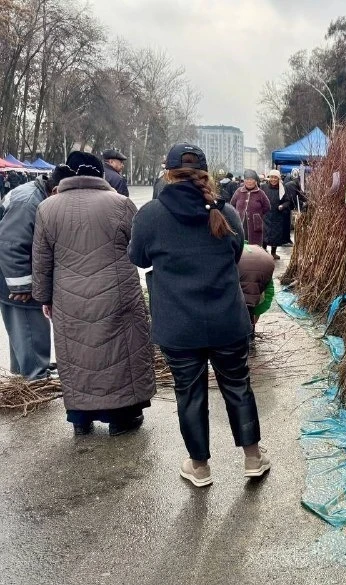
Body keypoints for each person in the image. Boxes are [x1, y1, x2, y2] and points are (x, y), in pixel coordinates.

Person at [128, 142, 270, 488]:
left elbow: (138, 257)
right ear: (205, 174)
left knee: (189, 394)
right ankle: (253, 458)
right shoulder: (225, 212)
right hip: (226, 320)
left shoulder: (151, 214)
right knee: (238, 386)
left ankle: (199, 466)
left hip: (178, 325)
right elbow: (236, 252)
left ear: (168, 174)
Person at [32, 152, 155, 436]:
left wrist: (44, 298)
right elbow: (140, 251)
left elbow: (41, 260)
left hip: (68, 297)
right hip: (116, 295)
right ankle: (121, 418)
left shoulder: (47, 208)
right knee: (120, 354)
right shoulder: (120, 204)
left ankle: (80, 419)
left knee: (76, 356)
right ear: (99, 174)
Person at [0, 171, 62, 380]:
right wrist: (22, 286)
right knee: (29, 325)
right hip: (14, 277)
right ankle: (36, 376)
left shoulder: (35, 194)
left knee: (22, 329)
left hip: (11, 274)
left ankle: (24, 372)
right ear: (55, 190)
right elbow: (12, 245)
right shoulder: (29, 203)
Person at [238, 244, 275, 341]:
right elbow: (268, 292)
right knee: (250, 304)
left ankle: (246, 335)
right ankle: (250, 335)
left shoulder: (230, 251)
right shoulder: (251, 248)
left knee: (245, 304)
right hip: (266, 262)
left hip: (246, 268)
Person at [232, 169, 270, 248]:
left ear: (255, 181)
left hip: (255, 223)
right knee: (240, 244)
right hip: (240, 222)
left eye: (251, 179)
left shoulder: (260, 193)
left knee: (254, 246)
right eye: (247, 179)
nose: (249, 181)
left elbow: (267, 206)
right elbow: (232, 204)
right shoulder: (239, 191)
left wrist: (258, 215)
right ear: (244, 180)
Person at [262, 169, 292, 259]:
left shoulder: (282, 188)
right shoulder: (263, 187)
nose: (273, 179)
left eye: (275, 177)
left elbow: (288, 201)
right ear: (269, 178)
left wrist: (282, 206)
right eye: (272, 177)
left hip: (277, 215)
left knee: (275, 235)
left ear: (278, 178)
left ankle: (273, 252)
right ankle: (263, 251)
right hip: (265, 214)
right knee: (265, 234)